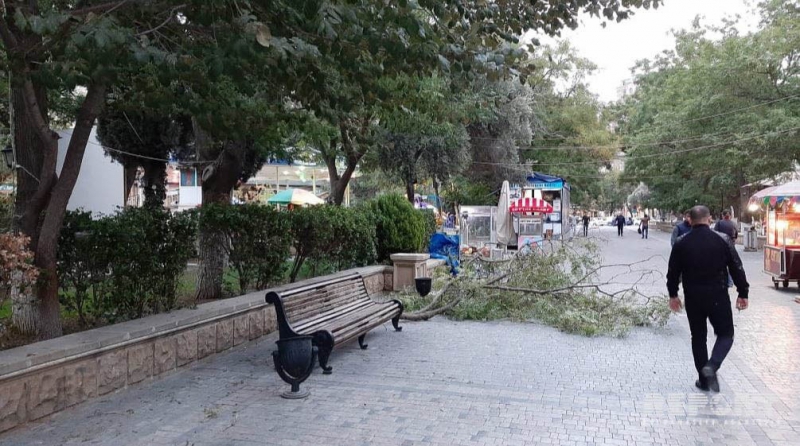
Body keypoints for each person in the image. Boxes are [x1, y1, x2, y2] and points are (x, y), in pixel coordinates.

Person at [666, 205, 749, 393]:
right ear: (709, 219)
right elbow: (737, 268)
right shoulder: (723, 240)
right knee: (726, 334)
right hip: (717, 295)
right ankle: (712, 366)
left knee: (698, 337)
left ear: (690, 220)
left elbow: (673, 273)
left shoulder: (681, 243)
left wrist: (673, 295)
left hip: (693, 297)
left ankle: (704, 381)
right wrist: (743, 293)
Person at [714, 211, 738, 287]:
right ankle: (730, 282)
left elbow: (715, 233)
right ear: (729, 216)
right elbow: (736, 234)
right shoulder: (733, 223)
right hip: (731, 245)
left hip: (721, 245)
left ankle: (724, 280)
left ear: (722, 215)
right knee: (731, 263)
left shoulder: (719, 223)